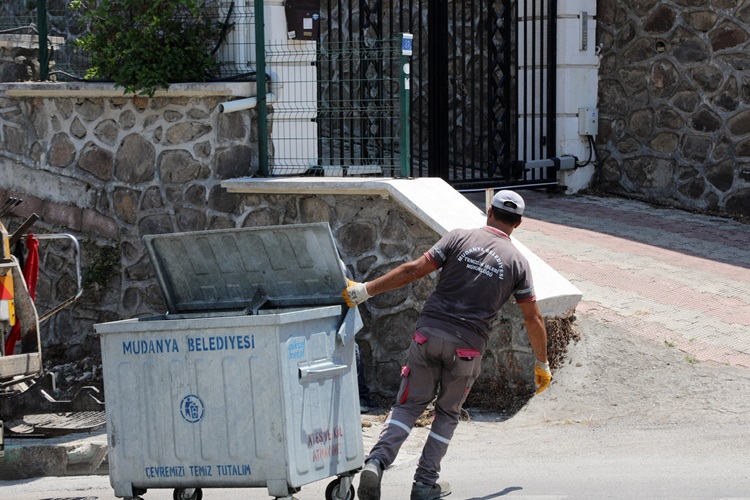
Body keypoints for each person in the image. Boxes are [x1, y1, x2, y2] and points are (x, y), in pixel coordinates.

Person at [342, 190, 552, 500]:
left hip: (428, 336)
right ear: (518, 223)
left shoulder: (457, 238)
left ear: (489, 211)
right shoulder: (518, 263)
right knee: (447, 414)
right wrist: (541, 363)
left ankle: (376, 462)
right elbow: (533, 318)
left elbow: (413, 270)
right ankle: (425, 483)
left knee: (407, 406)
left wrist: (364, 291)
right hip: (467, 349)